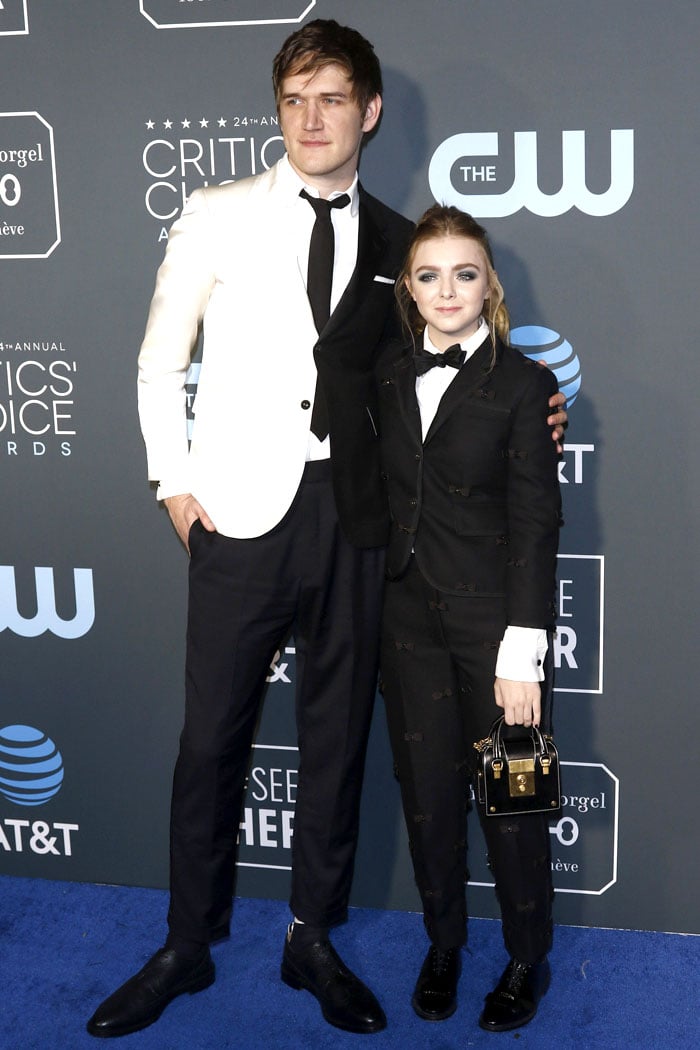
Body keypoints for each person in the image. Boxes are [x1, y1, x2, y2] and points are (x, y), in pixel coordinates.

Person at [87, 21, 567, 1039]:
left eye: (334, 98)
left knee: (335, 742)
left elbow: (458, 349)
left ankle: (312, 937)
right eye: (297, 98)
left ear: (369, 112)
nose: (314, 117)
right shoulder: (213, 214)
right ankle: (185, 942)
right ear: (279, 111)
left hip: (357, 522)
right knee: (210, 737)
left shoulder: (402, 244)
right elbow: (156, 361)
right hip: (237, 517)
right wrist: (173, 485)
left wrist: (537, 409)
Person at [377, 204, 561, 1033]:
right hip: (405, 620)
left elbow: (536, 521)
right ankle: (444, 941)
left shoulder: (525, 386)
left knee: (513, 804)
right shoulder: (383, 374)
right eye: (427, 274)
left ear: (490, 286)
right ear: (409, 289)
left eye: (464, 272)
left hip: (497, 634)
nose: (445, 289)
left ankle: (527, 958)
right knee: (428, 797)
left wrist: (523, 650)